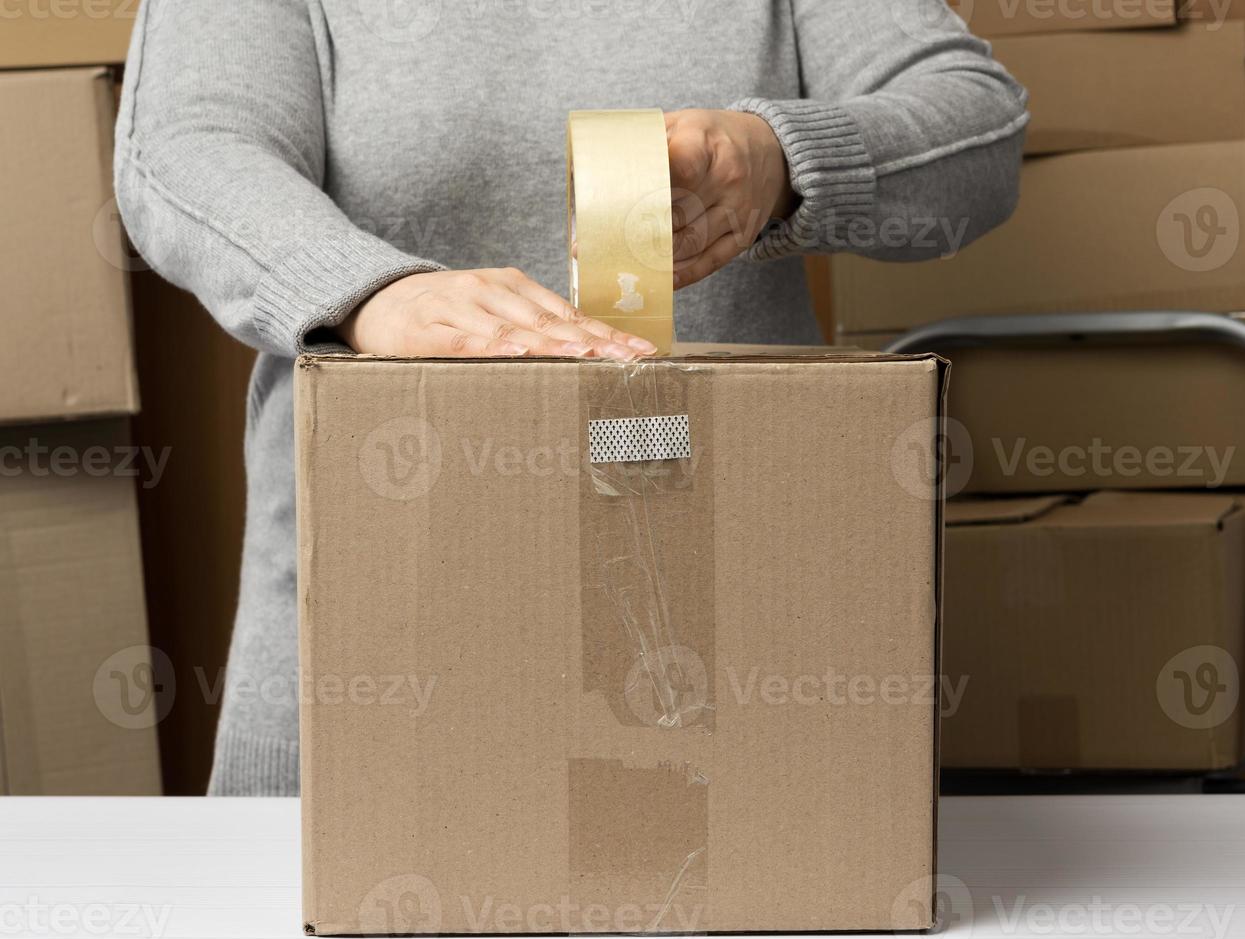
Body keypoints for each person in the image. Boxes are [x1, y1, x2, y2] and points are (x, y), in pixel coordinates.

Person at [115, 0, 1028, 796]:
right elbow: (187, 148)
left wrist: (780, 157)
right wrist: (369, 291)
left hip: (725, 607)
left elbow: (976, 133)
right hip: (381, 612)